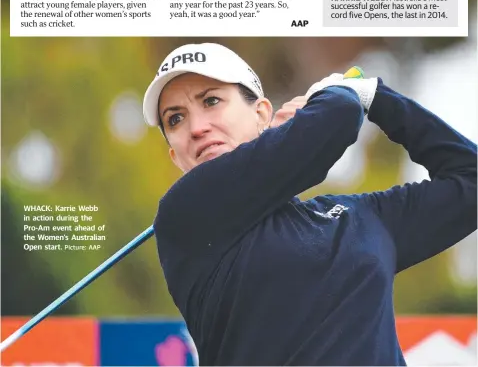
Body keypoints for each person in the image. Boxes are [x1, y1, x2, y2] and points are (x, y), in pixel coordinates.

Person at [142, 42, 477, 365]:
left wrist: (378, 98)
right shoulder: (183, 216)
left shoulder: (357, 216)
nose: (197, 127)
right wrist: (340, 91)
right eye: (175, 119)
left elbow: (470, 181)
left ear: (261, 114)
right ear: (175, 155)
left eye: (211, 100)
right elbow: (339, 115)